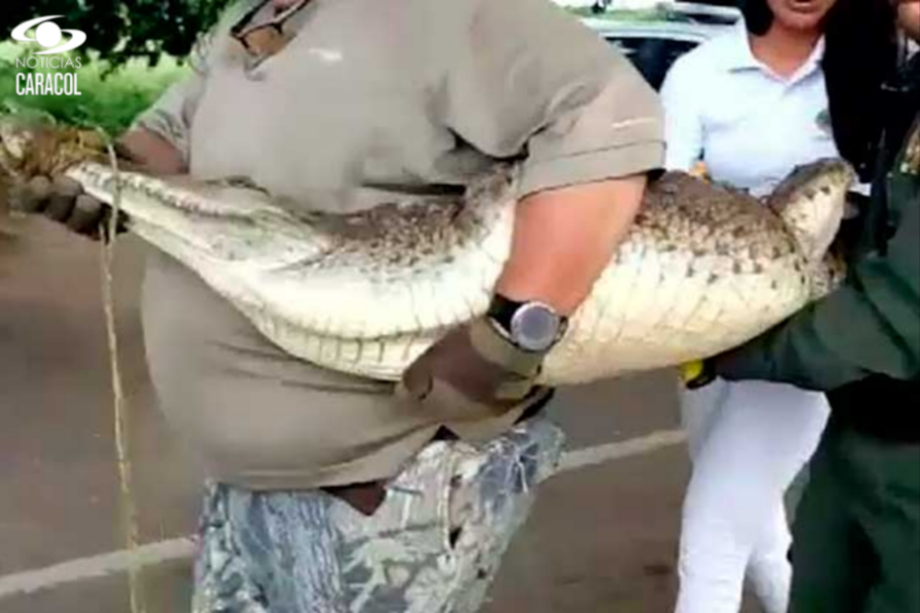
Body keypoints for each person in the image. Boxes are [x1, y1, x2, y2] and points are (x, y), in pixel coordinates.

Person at [13, 0, 664, 610]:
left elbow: (603, 114)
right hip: (240, 486)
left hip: (378, 487)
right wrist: (95, 175)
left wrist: (514, 331)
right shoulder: (252, 14)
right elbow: (167, 139)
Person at [688, 0, 920, 610]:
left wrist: (723, 340)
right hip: (855, 425)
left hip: (854, 391)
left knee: (713, 532)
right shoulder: (904, 81)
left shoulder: (861, 75)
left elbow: (894, 312)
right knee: (773, 541)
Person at [658, 0, 842, 610]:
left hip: (807, 336)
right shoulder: (699, 72)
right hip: (711, 329)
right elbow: (663, 192)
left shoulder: (865, 73)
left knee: (712, 532)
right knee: (756, 526)